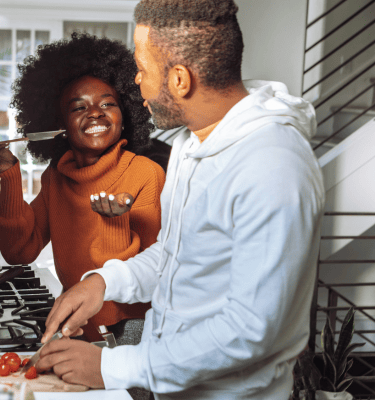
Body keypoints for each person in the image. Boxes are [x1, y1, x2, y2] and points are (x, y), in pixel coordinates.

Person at [36, 1, 326, 398]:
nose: (135, 81)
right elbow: (177, 255)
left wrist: (113, 366)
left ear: (179, 79)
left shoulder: (273, 166)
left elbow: (250, 330)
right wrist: (106, 282)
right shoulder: (193, 145)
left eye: (142, 67)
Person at [0, 32, 166, 344]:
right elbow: (20, 251)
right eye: (78, 107)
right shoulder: (56, 177)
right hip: (76, 324)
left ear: (125, 116)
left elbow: (153, 274)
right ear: (59, 124)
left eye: (108, 103)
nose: (95, 112)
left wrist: (114, 222)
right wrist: (9, 178)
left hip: (131, 330)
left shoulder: (146, 173)